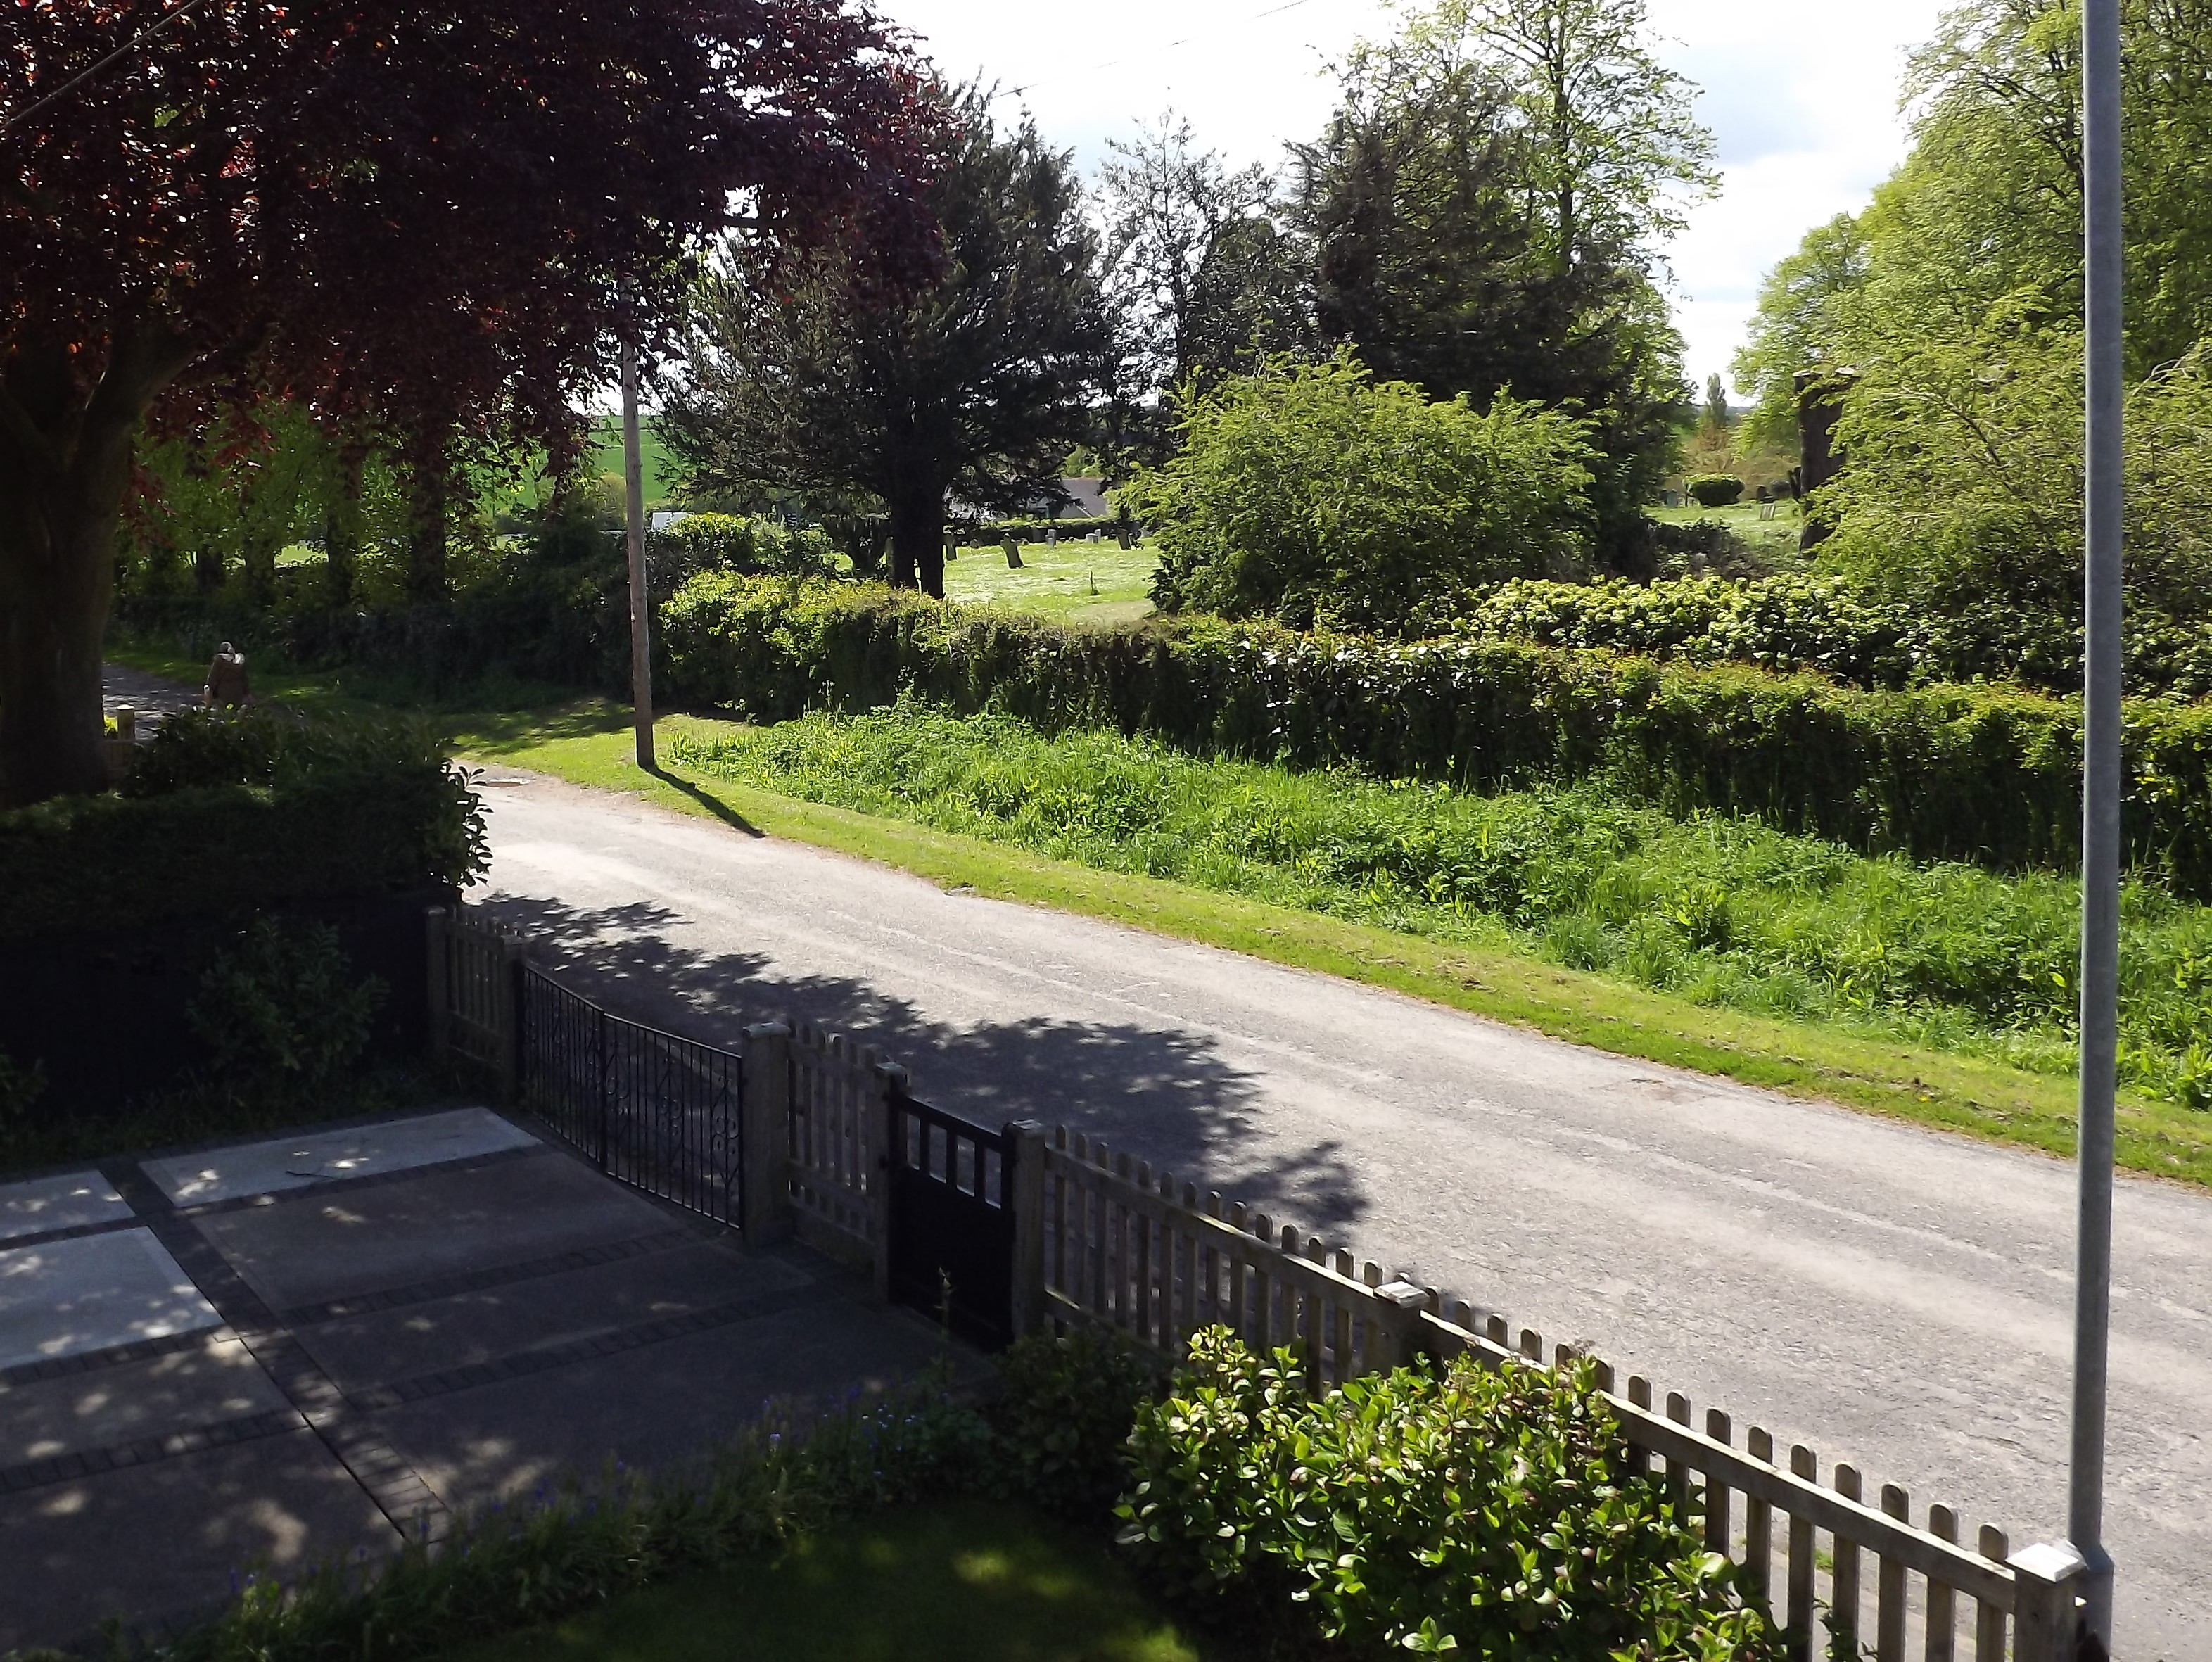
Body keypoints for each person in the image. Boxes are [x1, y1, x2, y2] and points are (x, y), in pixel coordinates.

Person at [204, 642, 250, 709]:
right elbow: (245, 679)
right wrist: (247, 693)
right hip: (238, 694)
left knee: (207, 688)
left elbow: (212, 679)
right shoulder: (240, 661)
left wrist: (209, 695)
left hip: (223, 694)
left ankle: (207, 711)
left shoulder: (219, 660)